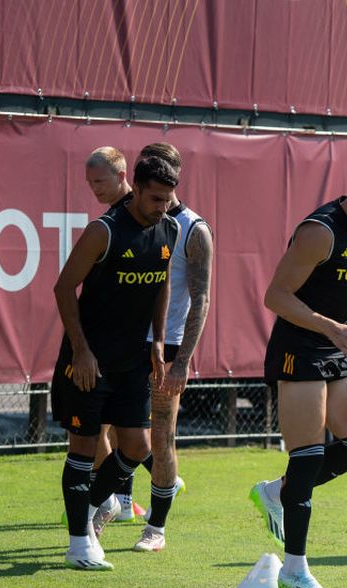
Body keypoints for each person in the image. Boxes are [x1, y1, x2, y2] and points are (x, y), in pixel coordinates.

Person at [250, 156, 347, 588]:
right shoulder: (320, 231)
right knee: (307, 459)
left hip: (332, 350)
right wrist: (333, 328)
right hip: (299, 351)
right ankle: (294, 570)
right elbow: (275, 296)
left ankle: (275, 493)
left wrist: (339, 334)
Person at [52, 156, 181, 570]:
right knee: (84, 448)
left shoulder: (170, 229)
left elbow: (160, 287)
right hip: (89, 360)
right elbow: (63, 287)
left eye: (168, 198)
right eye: (156, 198)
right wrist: (81, 350)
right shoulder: (103, 231)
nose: (163, 206)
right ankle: (78, 545)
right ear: (136, 188)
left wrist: (158, 341)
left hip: (133, 361)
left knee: (138, 446)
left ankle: (91, 509)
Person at [131, 142, 214, 552]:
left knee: (162, 435)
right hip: (124, 342)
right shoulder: (131, 217)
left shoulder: (193, 229)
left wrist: (182, 362)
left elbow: (201, 298)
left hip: (167, 347)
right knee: (115, 430)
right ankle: (110, 501)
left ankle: (156, 528)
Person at [83, 147, 143, 521]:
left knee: (127, 433)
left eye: (100, 181)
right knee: (108, 429)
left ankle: (109, 498)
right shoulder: (109, 222)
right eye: (90, 183)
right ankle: (115, 498)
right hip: (110, 344)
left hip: (133, 347)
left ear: (122, 175)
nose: (94, 189)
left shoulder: (141, 217)